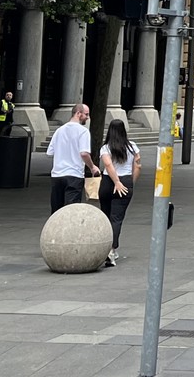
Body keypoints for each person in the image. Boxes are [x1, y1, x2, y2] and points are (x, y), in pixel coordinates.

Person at [98, 119, 140, 267]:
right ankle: (111, 249)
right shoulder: (133, 147)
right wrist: (128, 183)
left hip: (107, 182)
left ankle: (106, 248)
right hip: (124, 181)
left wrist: (115, 181)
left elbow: (108, 165)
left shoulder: (105, 148)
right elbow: (137, 166)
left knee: (106, 216)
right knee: (116, 218)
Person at [47, 102, 99, 213]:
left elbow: (50, 152)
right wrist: (92, 167)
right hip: (74, 175)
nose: (88, 117)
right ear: (78, 113)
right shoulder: (83, 131)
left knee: (56, 211)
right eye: (86, 114)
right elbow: (84, 153)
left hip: (57, 175)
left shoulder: (59, 131)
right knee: (71, 211)